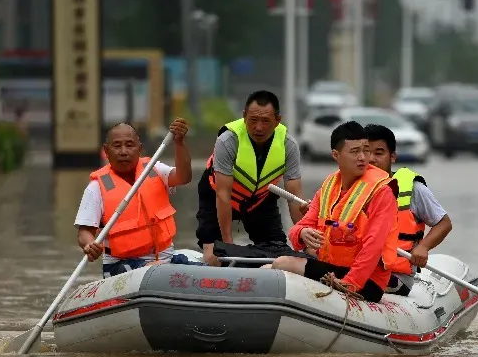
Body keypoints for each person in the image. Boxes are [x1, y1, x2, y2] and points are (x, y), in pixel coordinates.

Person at [265, 121, 400, 303]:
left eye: (366, 150)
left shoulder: (382, 191)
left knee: (282, 263)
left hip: (367, 280)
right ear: (336, 155)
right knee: (267, 268)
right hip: (333, 267)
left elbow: (373, 246)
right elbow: (299, 227)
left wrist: (349, 283)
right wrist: (302, 233)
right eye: (354, 151)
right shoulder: (329, 187)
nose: (363, 157)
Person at [75, 119, 201, 278]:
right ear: (106, 151)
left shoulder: (155, 169)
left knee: (205, 270)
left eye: (129, 145)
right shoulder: (96, 188)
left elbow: (184, 177)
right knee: (158, 272)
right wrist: (89, 245)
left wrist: (180, 143)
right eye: (117, 146)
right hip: (121, 265)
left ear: (139, 149)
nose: (123, 151)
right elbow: (84, 231)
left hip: (165, 259)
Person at [195, 90, 308, 266]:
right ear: (244, 116)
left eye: (266, 121)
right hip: (218, 196)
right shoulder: (228, 140)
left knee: (278, 255)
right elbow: (222, 194)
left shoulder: (289, 145)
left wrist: (305, 240)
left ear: (278, 120)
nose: (259, 127)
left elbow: (294, 197)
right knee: (215, 258)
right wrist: (227, 243)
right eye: (253, 120)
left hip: (261, 200)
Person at [365, 124, 452, 296]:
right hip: (357, 267)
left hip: (396, 276)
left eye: (379, 153)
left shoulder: (413, 189)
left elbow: (444, 223)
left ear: (393, 157)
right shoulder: (350, 188)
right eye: (366, 152)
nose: (372, 159)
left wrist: (424, 247)